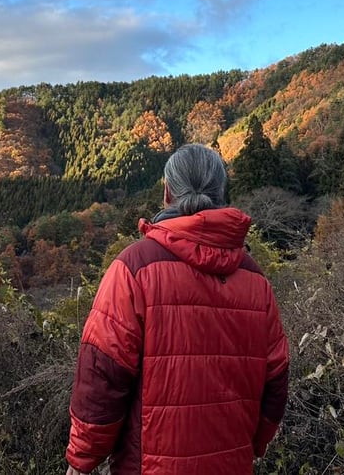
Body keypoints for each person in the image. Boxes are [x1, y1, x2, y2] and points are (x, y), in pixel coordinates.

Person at [65, 144, 289, 474]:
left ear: (167, 192)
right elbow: (276, 380)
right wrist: (254, 443)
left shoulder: (135, 268)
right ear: (221, 193)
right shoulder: (255, 279)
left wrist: (82, 459)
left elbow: (103, 374)